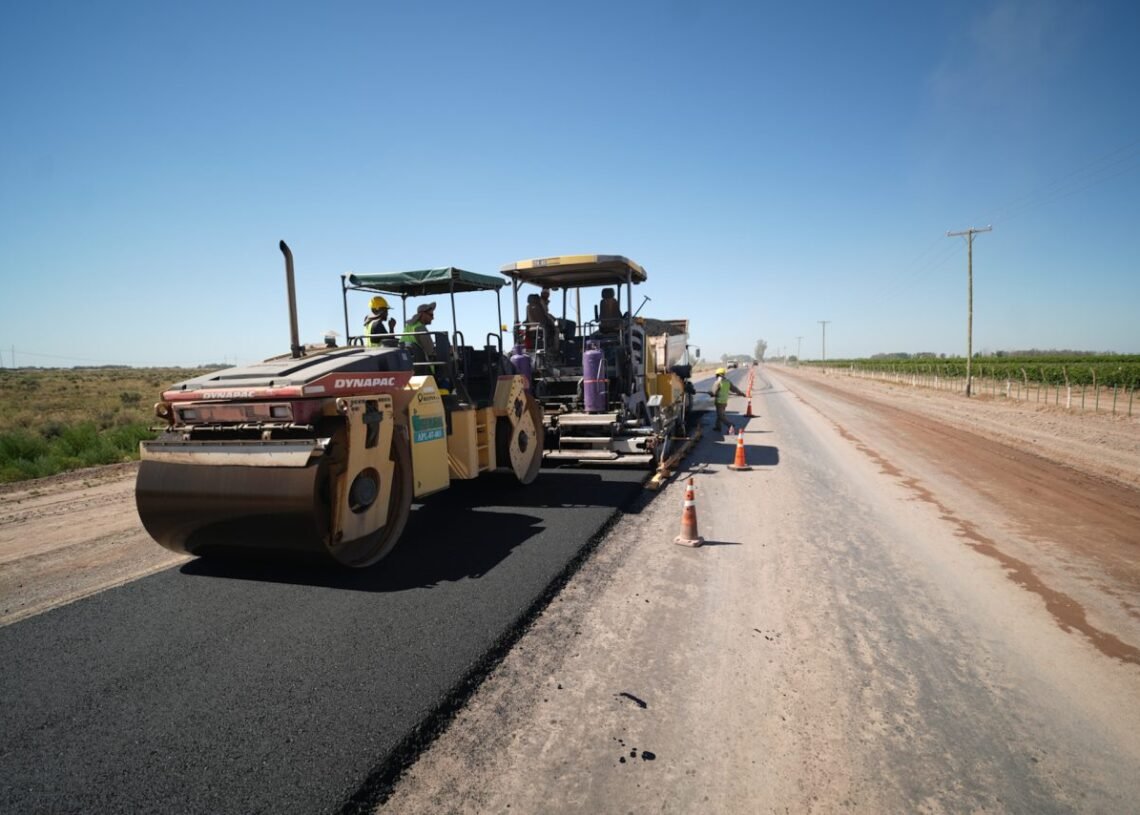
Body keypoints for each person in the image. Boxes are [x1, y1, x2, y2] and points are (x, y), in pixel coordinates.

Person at [708, 366, 746, 433]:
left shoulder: (718, 382)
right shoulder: (728, 382)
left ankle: (730, 425)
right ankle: (718, 427)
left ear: (718, 375)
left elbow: (714, 392)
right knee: (720, 414)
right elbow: (735, 389)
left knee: (721, 416)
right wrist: (741, 393)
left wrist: (711, 393)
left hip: (719, 402)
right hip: (724, 401)